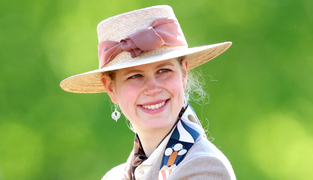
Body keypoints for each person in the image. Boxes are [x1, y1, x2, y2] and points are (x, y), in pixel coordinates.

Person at [60, 5, 236, 180]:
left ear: (183, 73)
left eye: (163, 71)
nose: (152, 89)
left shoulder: (205, 168)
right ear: (111, 89)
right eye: (135, 76)